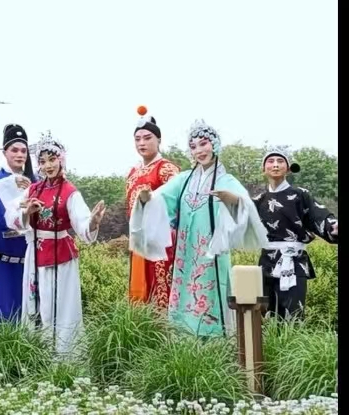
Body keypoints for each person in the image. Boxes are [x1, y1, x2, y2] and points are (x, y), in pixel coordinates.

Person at [129, 120, 268, 338]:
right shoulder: (183, 180)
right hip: (185, 253)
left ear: (215, 145)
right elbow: (161, 199)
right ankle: (184, 346)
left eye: (204, 144)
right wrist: (147, 198)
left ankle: (215, 343)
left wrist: (231, 200)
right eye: (193, 146)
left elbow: (246, 206)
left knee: (211, 294)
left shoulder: (225, 179)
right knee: (184, 294)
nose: (199, 150)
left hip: (211, 255)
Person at [6, 131, 105, 356]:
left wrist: (93, 222)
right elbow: (11, 214)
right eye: (42, 161)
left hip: (61, 256)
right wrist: (26, 212)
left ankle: (64, 358)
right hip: (36, 254)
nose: (48, 166)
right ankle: (36, 356)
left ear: (61, 160)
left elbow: (82, 222)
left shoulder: (70, 192)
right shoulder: (34, 189)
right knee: (36, 303)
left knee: (61, 306)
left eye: (52, 160)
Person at [253, 145, 338, 320]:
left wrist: (333, 226)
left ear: (288, 168)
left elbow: (318, 215)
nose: (275, 165)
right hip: (267, 261)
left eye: (280, 161)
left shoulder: (300, 194)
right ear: (264, 168)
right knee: (266, 315)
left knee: (294, 314)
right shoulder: (258, 200)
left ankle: (293, 346)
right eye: (270, 161)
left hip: (294, 260)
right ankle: (270, 348)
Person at [0, 123, 37, 323]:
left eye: (23, 150)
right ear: (5, 152)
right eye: (14, 150)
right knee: (0, 309)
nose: (19, 155)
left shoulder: (34, 180)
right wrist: (12, 184)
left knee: (27, 312)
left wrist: (31, 188)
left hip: (27, 258)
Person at [125, 106, 181, 309]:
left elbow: (178, 203)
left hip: (161, 241)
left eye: (147, 138)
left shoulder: (166, 169)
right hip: (139, 241)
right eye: (138, 139)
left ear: (158, 140)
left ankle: (165, 335)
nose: (142, 143)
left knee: (161, 290)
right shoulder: (133, 172)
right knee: (140, 292)